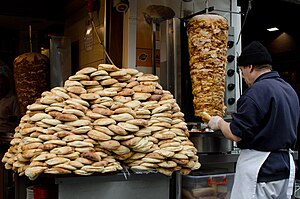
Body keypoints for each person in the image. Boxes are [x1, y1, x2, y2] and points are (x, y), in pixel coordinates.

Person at [208, 41, 299, 199]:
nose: (243, 77)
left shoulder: (256, 92)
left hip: (260, 168)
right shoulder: (288, 90)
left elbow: (236, 134)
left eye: (242, 71)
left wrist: (219, 123)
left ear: (249, 67)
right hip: (285, 167)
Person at [0, 62, 21, 199]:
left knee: (6, 169)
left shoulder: (12, 100)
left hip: (7, 137)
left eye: (3, 83)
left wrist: (12, 119)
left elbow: (18, 118)